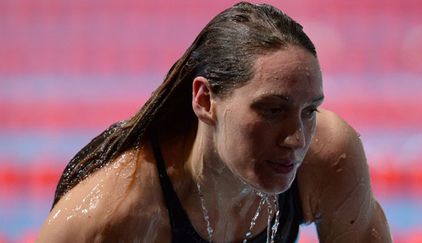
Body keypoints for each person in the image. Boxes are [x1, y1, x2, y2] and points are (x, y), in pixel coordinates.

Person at [37, 2, 392, 242]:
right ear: (205, 101)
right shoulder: (111, 215)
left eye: (309, 111)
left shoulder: (327, 157)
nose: (296, 139)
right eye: (271, 110)